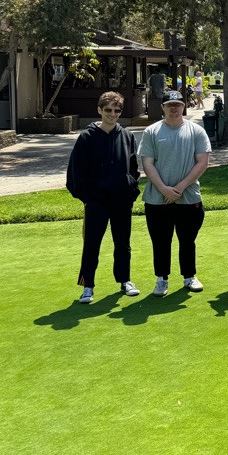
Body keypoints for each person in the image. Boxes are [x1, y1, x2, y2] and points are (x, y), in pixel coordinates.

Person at [66, 91, 141, 303]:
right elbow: (75, 173)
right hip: (96, 202)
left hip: (121, 201)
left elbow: (134, 169)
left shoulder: (127, 136)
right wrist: (87, 197)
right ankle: (87, 285)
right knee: (92, 244)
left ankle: (125, 280)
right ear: (99, 110)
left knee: (123, 243)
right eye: (108, 110)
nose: (113, 114)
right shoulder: (86, 137)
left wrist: (130, 190)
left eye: (117, 110)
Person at [138, 89, 211, 296]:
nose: (174, 108)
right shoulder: (152, 131)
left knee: (187, 239)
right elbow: (147, 163)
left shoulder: (196, 131)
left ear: (183, 106)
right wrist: (164, 189)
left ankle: (189, 276)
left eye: (177, 104)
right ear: (162, 108)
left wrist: (178, 189)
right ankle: (161, 279)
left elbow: (202, 162)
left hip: (188, 197)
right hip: (157, 198)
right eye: (169, 105)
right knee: (161, 241)